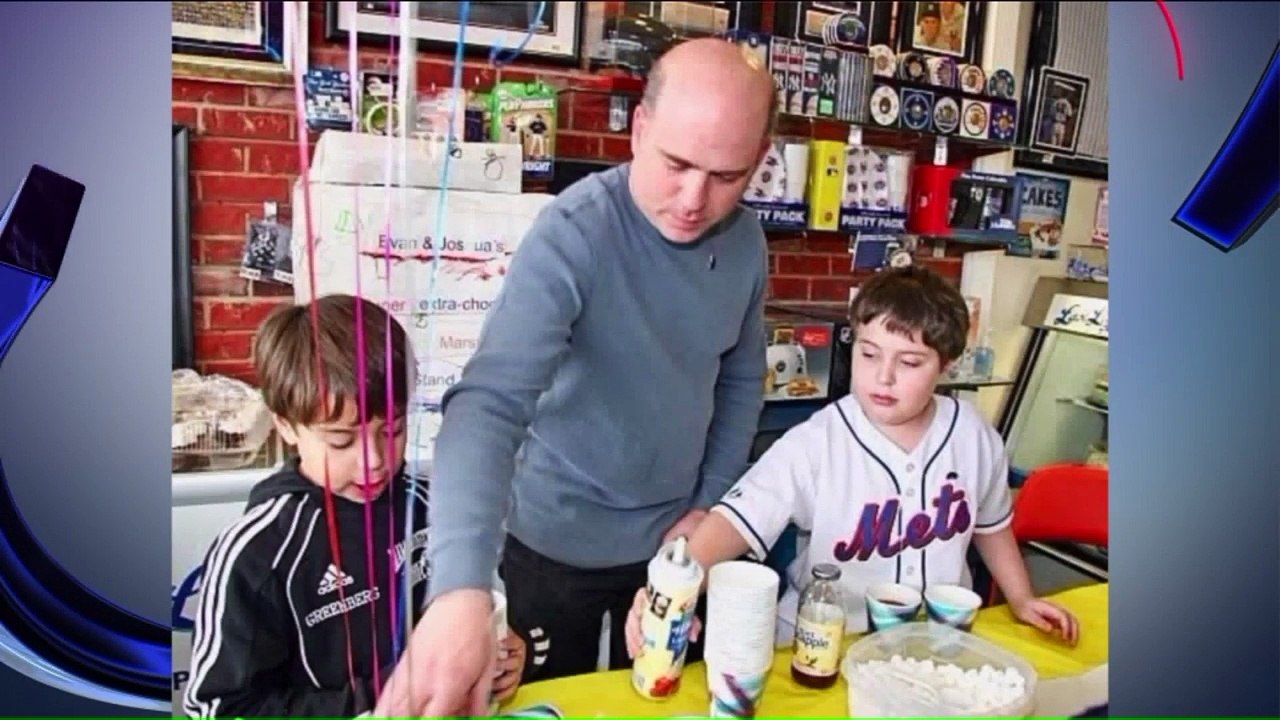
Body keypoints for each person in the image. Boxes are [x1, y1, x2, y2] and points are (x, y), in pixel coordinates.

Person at [373, 38, 778, 717]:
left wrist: (708, 509)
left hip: (675, 549)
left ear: (758, 162)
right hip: (549, 547)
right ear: (640, 130)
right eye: (675, 164)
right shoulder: (574, 232)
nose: (693, 198)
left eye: (727, 176)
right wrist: (458, 588)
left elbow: (740, 383)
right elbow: (489, 405)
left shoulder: (746, 243)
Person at [619, 266, 1082, 654]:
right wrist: (670, 593)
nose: (883, 376)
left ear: (947, 365)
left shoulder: (975, 434)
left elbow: (991, 525)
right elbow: (735, 522)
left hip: (935, 648)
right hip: (825, 648)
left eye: (910, 362)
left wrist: (1020, 598)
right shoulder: (817, 441)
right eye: (869, 354)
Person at [180, 295, 528, 718]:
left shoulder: (436, 508)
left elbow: (471, 618)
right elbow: (216, 708)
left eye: (393, 430)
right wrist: (389, 693)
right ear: (285, 425)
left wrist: (497, 653)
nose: (375, 460)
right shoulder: (256, 554)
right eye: (341, 440)